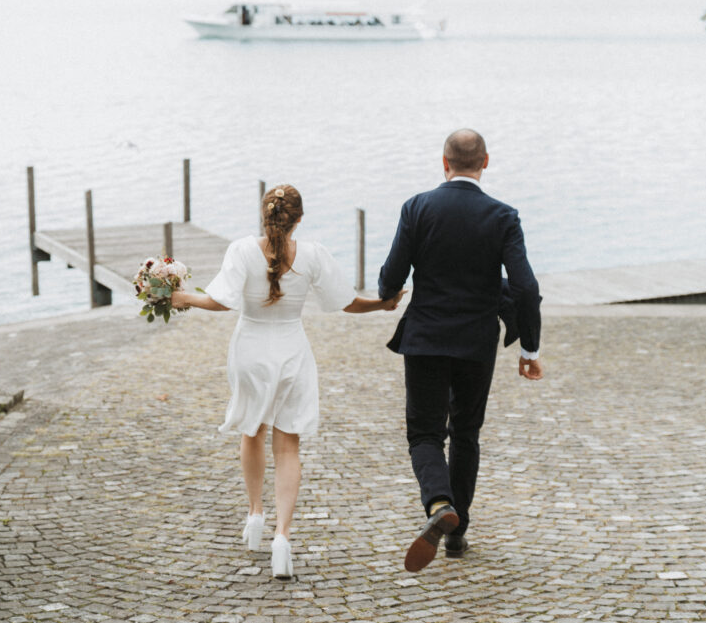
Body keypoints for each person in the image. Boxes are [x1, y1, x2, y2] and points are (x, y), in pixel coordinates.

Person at [172, 185, 404, 580]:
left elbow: (221, 300)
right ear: (298, 219)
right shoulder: (312, 255)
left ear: (264, 217)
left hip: (250, 349)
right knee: (288, 442)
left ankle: (255, 517)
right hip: (292, 351)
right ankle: (282, 538)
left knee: (251, 430)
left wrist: (182, 296)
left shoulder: (243, 250)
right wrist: (383, 304)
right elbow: (345, 302)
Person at [378, 128, 543, 573]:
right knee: (467, 432)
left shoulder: (417, 207)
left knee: (426, 433)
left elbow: (393, 272)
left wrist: (388, 292)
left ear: (444, 162)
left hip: (427, 337)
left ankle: (438, 503)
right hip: (475, 341)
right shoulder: (503, 216)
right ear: (485, 162)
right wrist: (529, 348)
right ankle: (457, 533)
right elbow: (526, 287)